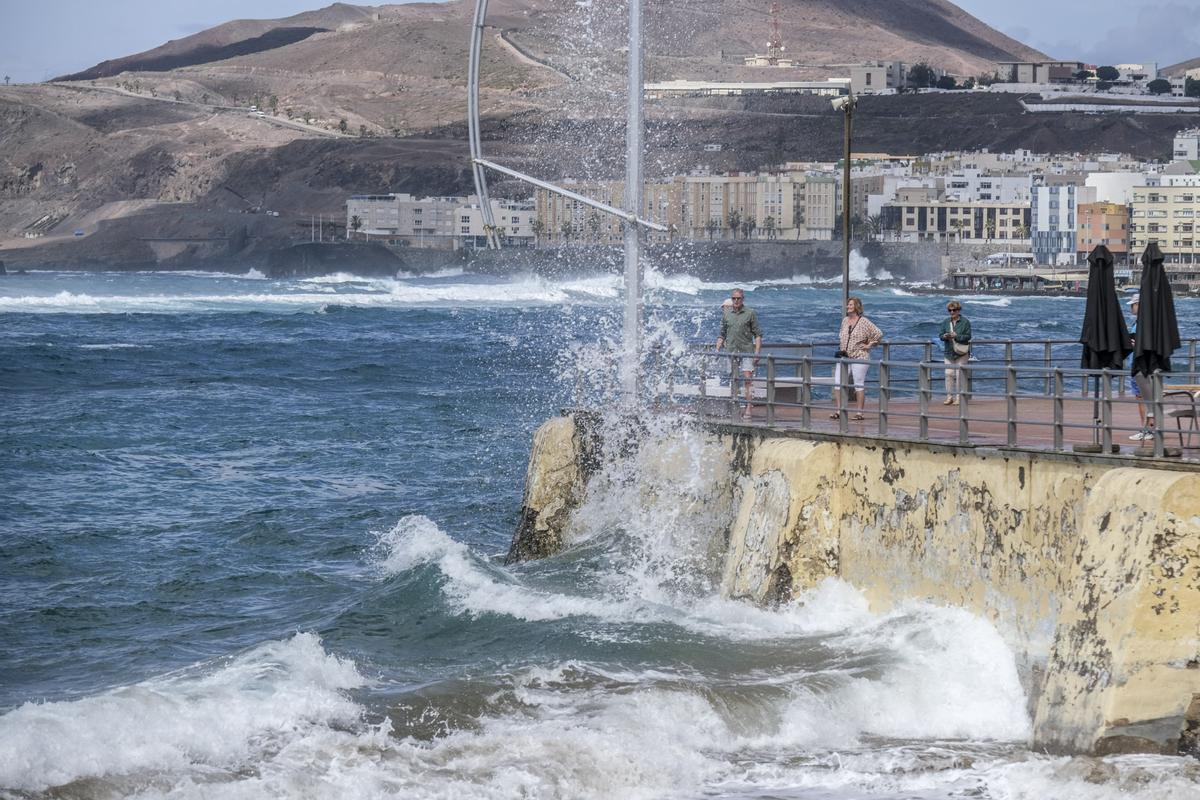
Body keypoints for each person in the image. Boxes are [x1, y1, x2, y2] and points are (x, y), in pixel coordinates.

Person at [831, 296, 883, 421]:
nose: (848, 307)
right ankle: (839, 410)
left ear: (856, 307)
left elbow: (878, 334)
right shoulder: (845, 320)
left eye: (850, 305)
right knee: (837, 383)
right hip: (844, 356)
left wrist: (869, 345)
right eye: (848, 304)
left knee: (858, 384)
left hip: (860, 357)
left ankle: (860, 413)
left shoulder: (864, 321)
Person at [715, 288, 762, 416]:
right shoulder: (727, 314)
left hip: (746, 351)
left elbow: (758, 335)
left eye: (738, 298)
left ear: (743, 299)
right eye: (734, 298)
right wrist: (718, 347)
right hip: (731, 352)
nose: (736, 301)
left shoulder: (750, 313)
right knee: (734, 380)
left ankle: (748, 407)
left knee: (747, 379)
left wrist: (757, 353)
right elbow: (722, 334)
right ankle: (734, 407)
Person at [1126, 293, 1153, 440]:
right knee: (1143, 397)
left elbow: (1140, 344)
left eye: (1133, 305)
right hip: (1139, 364)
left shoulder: (1140, 324)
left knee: (1141, 398)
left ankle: (1147, 429)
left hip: (1139, 366)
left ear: (1138, 305)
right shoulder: (1144, 323)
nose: (1131, 308)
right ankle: (1148, 428)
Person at [938, 300, 972, 405]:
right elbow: (940, 335)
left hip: (961, 352)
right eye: (950, 310)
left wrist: (957, 336)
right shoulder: (945, 322)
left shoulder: (965, 322)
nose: (952, 312)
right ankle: (949, 397)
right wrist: (945, 336)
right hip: (949, 352)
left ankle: (959, 397)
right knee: (948, 374)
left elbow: (968, 336)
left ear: (959, 310)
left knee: (959, 375)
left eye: (954, 310)